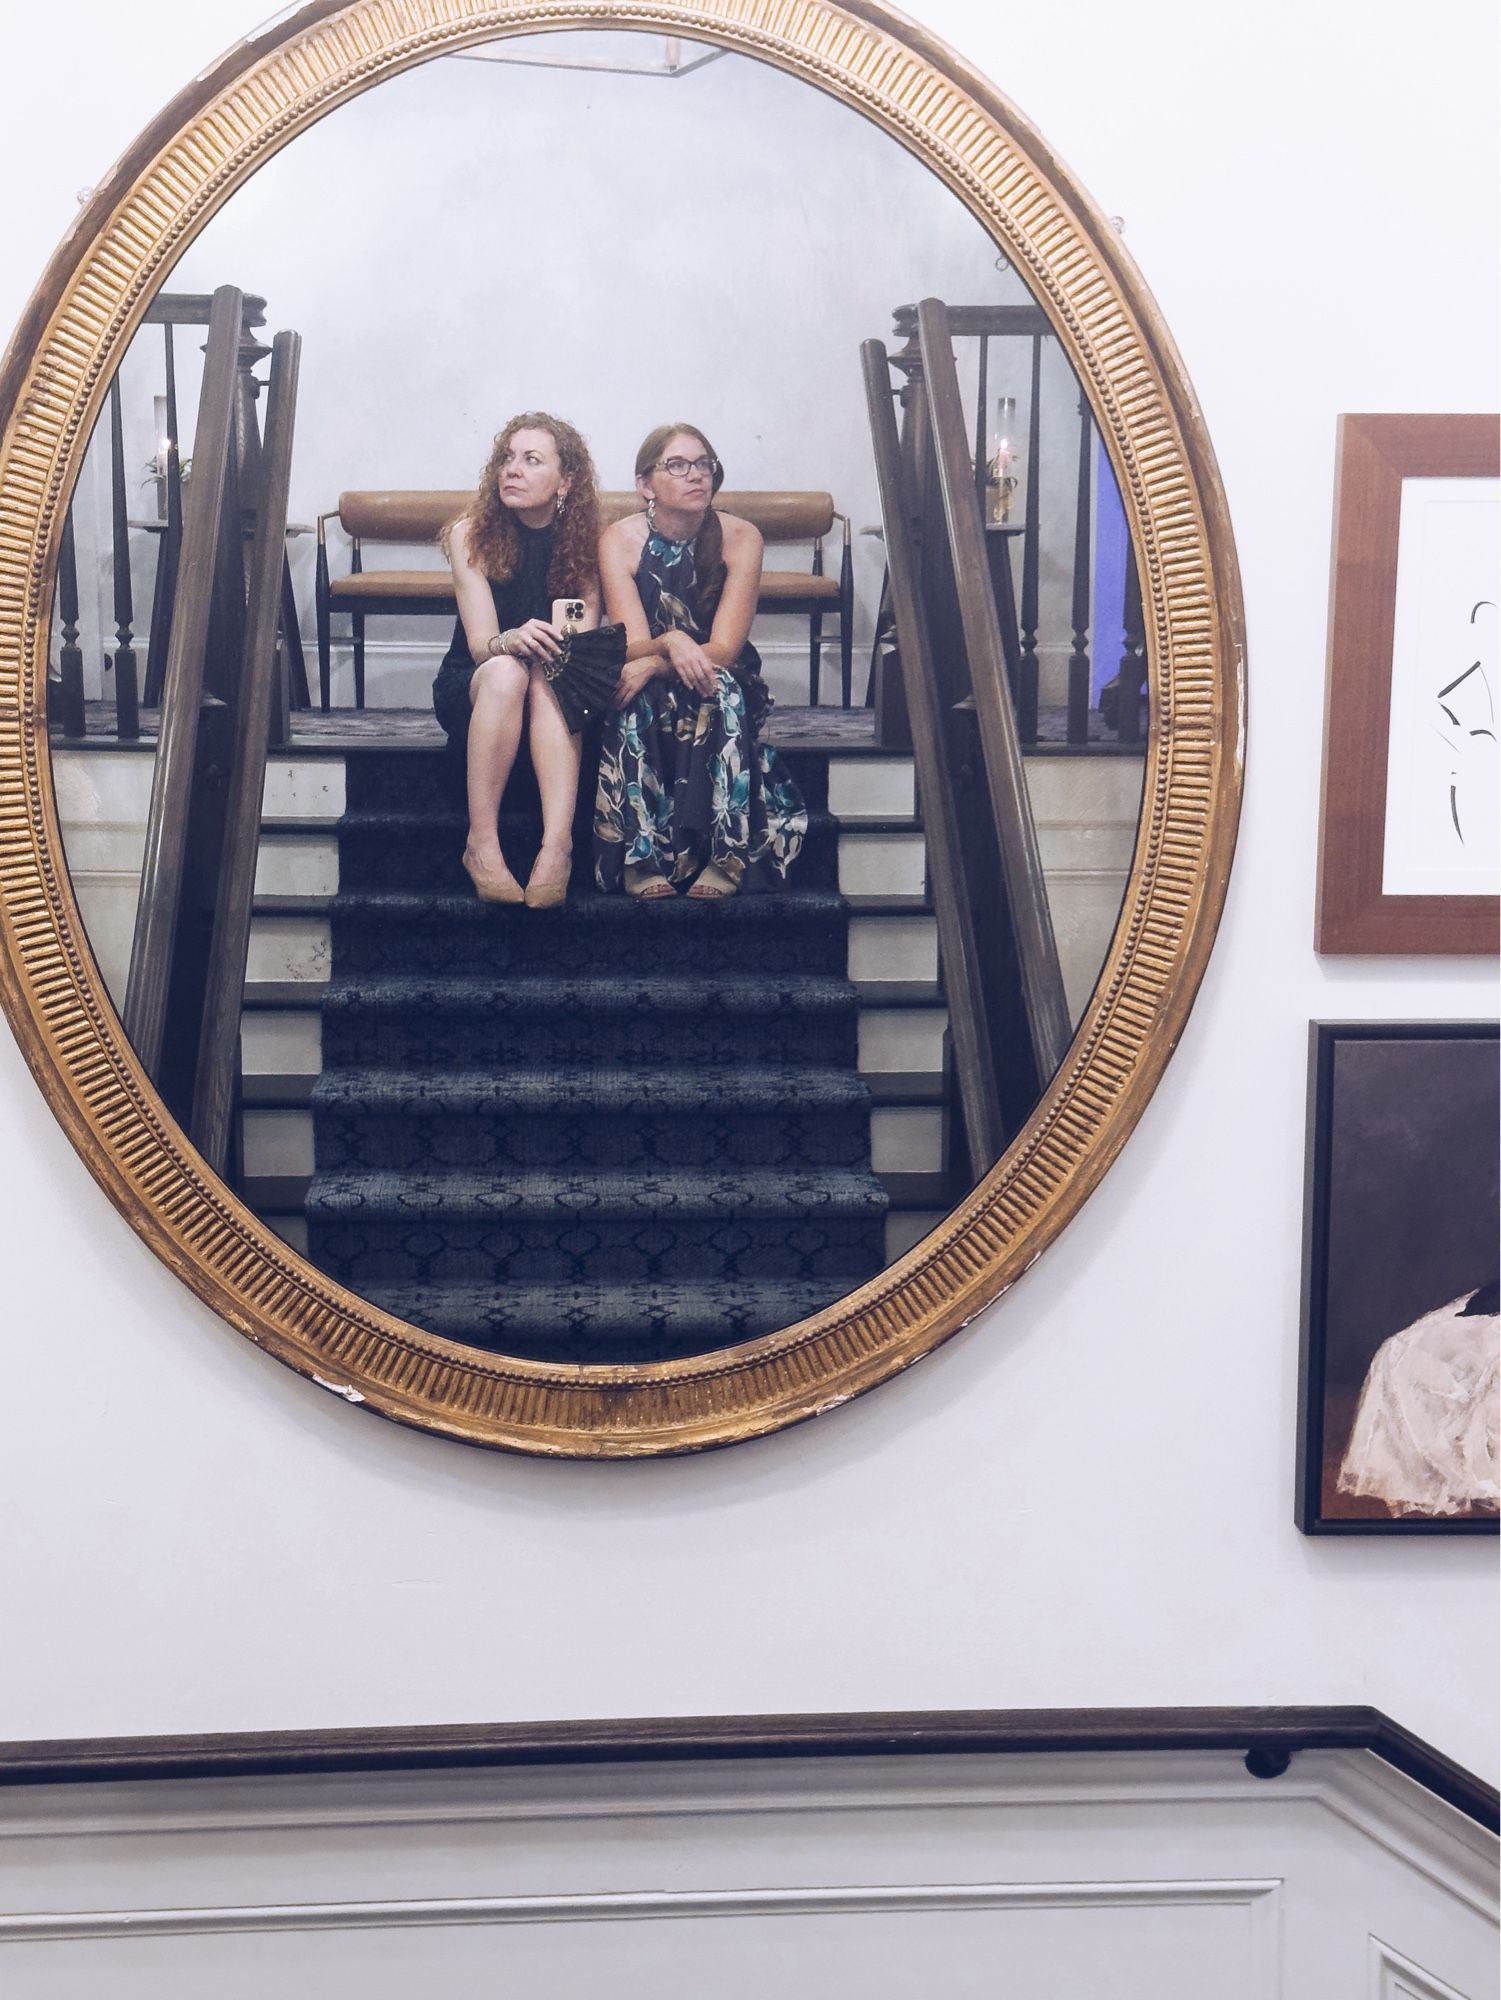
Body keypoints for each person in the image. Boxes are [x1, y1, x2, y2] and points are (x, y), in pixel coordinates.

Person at [592, 424, 806, 898]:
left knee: (718, 685)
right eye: (677, 465)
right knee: (633, 687)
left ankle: (726, 857)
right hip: (649, 664)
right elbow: (631, 645)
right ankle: (640, 859)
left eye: (704, 464)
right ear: (646, 484)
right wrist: (668, 643)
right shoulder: (618, 540)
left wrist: (662, 658)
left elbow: (726, 648)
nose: (696, 476)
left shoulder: (741, 536)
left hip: (721, 670)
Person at [432, 413, 601, 907]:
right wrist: (514, 640)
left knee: (553, 671)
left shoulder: (586, 542)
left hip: (552, 688)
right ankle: (481, 845)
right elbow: (481, 643)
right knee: (508, 671)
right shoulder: (470, 534)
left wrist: (554, 648)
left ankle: (557, 848)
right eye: (507, 458)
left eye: (532, 460)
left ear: (565, 480)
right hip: (478, 680)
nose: (513, 469)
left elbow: (583, 642)